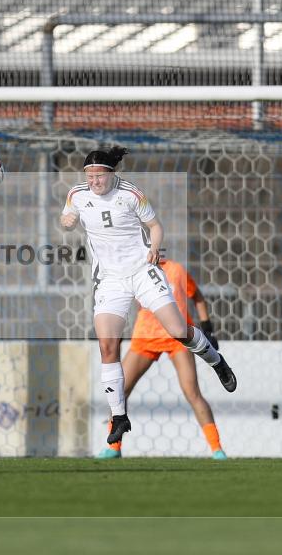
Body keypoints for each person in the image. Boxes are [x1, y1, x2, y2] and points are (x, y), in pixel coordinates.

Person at [60, 146, 236, 447]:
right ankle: (119, 417)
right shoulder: (77, 194)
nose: (94, 181)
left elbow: (154, 227)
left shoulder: (131, 194)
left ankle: (217, 361)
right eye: (89, 175)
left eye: (99, 175)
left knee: (179, 331)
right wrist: (67, 221)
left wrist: (155, 247)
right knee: (107, 346)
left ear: (111, 173)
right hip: (110, 280)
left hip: (142, 271)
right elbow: (68, 215)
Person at [97, 259, 227, 460]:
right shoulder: (135, 270)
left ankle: (217, 449)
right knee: (119, 391)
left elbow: (198, 297)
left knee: (192, 392)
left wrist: (207, 327)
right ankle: (114, 447)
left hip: (177, 340)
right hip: (145, 337)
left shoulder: (176, 270)